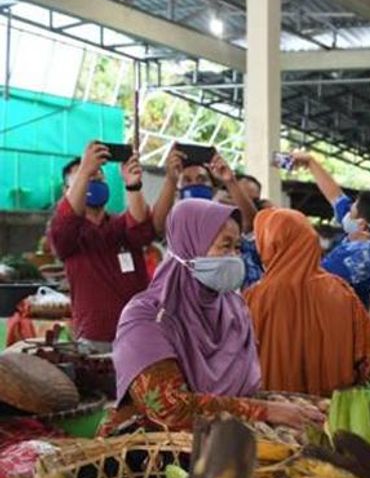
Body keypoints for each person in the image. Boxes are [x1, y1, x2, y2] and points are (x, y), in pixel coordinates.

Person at [110, 199, 322, 432]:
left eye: (237, 247)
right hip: (155, 453)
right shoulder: (147, 317)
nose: (234, 257)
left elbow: (243, 392)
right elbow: (167, 408)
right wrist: (266, 410)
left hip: (228, 443)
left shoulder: (233, 309)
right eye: (225, 246)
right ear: (190, 246)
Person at [245, 209, 370, 396]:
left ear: (268, 245)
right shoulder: (339, 291)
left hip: (276, 415)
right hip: (331, 415)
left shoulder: (253, 298)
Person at [47, 142, 157, 352]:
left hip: (138, 331)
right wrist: (85, 171)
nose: (94, 179)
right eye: (87, 178)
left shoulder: (119, 224)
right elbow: (65, 224)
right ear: (68, 190)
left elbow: (142, 230)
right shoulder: (68, 233)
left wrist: (133, 185)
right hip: (96, 337)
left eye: (99, 177)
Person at [289, 151, 370, 309]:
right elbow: (336, 196)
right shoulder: (367, 233)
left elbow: (313, 281)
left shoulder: (360, 258)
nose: (346, 214)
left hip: (343, 322)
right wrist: (311, 162)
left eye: (351, 212)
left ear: (362, 225)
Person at [157, 143, 261, 287]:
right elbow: (158, 228)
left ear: (212, 187)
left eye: (201, 179)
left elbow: (251, 223)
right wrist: (171, 179)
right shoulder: (174, 218)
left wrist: (229, 180)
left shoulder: (225, 215)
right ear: (178, 189)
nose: (194, 184)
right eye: (186, 180)